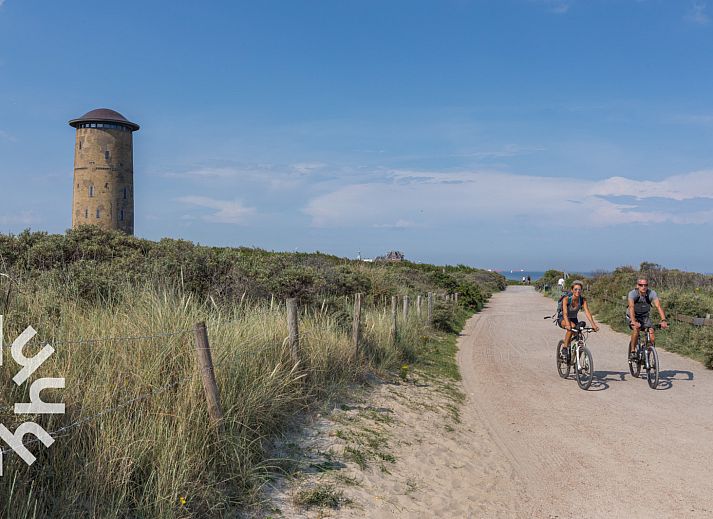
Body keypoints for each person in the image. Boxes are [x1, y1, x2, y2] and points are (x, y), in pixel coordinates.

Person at [627, 277, 668, 359]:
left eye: (645, 285)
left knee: (652, 333)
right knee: (636, 329)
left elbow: (658, 306)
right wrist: (633, 321)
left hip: (644, 316)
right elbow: (631, 307)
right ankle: (632, 351)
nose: (643, 287)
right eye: (641, 285)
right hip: (632, 316)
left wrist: (663, 320)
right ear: (637, 286)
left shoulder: (651, 293)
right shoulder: (632, 294)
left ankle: (647, 354)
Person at [558, 280, 599, 359]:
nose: (578, 291)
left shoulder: (582, 300)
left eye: (579, 289)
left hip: (573, 319)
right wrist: (567, 324)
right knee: (571, 328)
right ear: (572, 290)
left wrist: (593, 325)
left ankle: (576, 363)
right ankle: (565, 348)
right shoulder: (566, 299)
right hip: (563, 318)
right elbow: (565, 313)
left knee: (580, 340)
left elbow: (587, 312)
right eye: (576, 289)